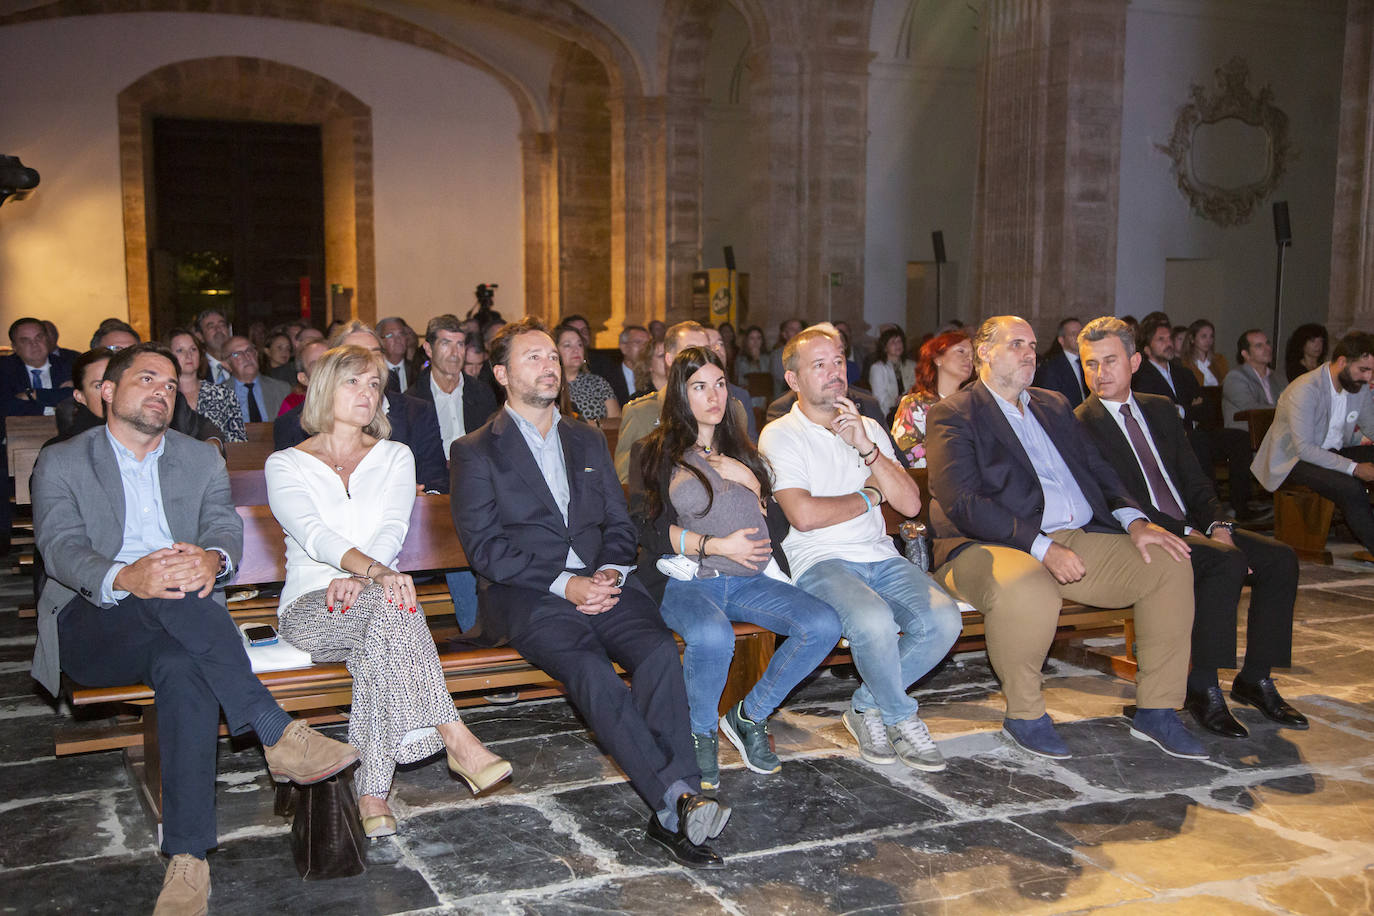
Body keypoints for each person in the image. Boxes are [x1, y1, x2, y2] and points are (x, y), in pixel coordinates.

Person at [31, 342, 360, 914]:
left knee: (184, 667)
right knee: (173, 583)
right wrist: (128, 575)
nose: (162, 390)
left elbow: (220, 528)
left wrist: (214, 558)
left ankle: (187, 860)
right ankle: (276, 732)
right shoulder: (64, 460)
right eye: (147, 379)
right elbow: (60, 549)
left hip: (183, 624)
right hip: (96, 619)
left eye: (170, 383)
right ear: (107, 391)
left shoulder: (198, 457)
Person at [450, 317, 732, 869]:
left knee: (656, 652)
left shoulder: (584, 436)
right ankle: (678, 799)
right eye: (534, 357)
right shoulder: (476, 450)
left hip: (604, 584)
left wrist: (608, 572)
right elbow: (486, 550)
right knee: (589, 668)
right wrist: (567, 584)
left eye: (553, 355)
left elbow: (620, 522)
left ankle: (675, 803)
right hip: (529, 594)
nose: (550, 365)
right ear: (503, 373)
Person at [924, 316, 1203, 760]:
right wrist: (1043, 547)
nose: (1029, 353)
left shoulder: (1053, 404)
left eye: (1033, 345)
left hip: (1074, 536)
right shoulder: (955, 413)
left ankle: (1157, 710)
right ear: (983, 354)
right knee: (1030, 588)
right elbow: (963, 503)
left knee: (1168, 563)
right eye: (1016, 344)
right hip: (986, 546)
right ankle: (1026, 715)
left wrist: (1136, 522)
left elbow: (1098, 470)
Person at [266, 345, 510, 838]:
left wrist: (364, 577)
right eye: (352, 382)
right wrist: (371, 574)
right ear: (323, 389)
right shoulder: (285, 464)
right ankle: (454, 734)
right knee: (394, 605)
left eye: (374, 384)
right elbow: (313, 534)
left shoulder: (396, 456)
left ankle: (372, 793)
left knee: (382, 627)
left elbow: (393, 529)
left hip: (378, 601)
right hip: (313, 608)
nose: (366, 392)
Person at [1074, 318, 1305, 738]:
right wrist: (1183, 534)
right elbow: (1110, 499)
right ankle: (1201, 686)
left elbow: (1194, 478)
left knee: (1279, 559)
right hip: (1140, 534)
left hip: (1192, 525)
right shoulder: (1080, 424)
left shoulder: (1159, 408)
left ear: (1135, 361)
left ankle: (1255, 678)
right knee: (1223, 563)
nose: (1099, 373)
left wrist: (1218, 524)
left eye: (1109, 361)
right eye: (1090, 364)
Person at [630, 346, 840, 790]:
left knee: (822, 623)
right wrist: (713, 545)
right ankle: (700, 733)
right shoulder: (654, 451)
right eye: (700, 386)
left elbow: (778, 526)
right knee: (712, 635)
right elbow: (644, 529)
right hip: (690, 581)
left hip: (751, 580)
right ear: (680, 395)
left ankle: (750, 716)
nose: (714, 396)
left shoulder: (745, 448)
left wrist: (752, 484)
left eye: (720, 384)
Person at [759, 323, 961, 771]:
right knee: (873, 621)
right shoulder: (780, 435)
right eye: (819, 365)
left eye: (837, 362)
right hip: (819, 560)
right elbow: (805, 516)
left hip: (880, 555)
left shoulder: (867, 424)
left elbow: (909, 504)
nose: (834, 372)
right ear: (793, 379)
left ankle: (866, 707)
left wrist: (867, 448)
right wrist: (869, 496)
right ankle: (901, 716)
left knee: (944, 620)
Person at [275, 323, 449, 494]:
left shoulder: (418, 413)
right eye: (356, 355)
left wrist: (420, 498)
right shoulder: (292, 425)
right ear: (331, 368)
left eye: (375, 353)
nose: (368, 361)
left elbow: (436, 482)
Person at [1252, 331, 1374, 555]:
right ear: (1342, 362)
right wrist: (1355, 468)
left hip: (1333, 452)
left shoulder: (1359, 387)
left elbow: (1371, 425)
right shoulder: (1306, 388)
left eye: (1372, 371)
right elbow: (1305, 449)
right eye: (1363, 370)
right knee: (1350, 487)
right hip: (1293, 461)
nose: (1368, 377)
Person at [1134, 313, 1256, 520]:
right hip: (1164, 439)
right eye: (1161, 340)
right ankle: (1211, 508)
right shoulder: (1141, 376)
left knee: (1239, 438)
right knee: (1197, 441)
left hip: (1194, 431)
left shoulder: (1183, 373)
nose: (1169, 344)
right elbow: (1157, 412)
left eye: (1170, 338)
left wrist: (1180, 410)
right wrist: (1188, 409)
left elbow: (1206, 409)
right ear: (1146, 348)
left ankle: (1240, 506)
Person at [616, 321, 750, 484]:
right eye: (691, 350)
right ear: (670, 359)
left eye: (707, 349)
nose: (702, 358)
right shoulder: (641, 413)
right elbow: (627, 482)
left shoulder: (732, 408)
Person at [890, 331, 974, 467]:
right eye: (961, 351)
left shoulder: (974, 403)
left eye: (971, 355)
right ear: (938, 359)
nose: (969, 359)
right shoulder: (915, 404)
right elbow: (905, 453)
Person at [168, 329, 246, 443]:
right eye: (180, 350)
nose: (188, 355)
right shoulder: (164, 395)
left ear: (200, 355)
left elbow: (238, 441)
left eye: (193, 349)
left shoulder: (223, 394)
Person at [2, 317, 73, 419]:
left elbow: (79, 398)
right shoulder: (4, 369)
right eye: (25, 341)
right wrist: (52, 402)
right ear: (14, 347)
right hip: (18, 431)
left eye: (39, 337)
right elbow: (7, 408)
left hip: (65, 432)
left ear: (47, 340)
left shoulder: (69, 365)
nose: (34, 344)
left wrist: (32, 395)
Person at [555, 323, 621, 424]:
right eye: (567, 345)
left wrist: (593, 425)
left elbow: (618, 421)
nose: (576, 350)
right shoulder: (550, 384)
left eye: (580, 344)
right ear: (555, 352)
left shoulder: (597, 382)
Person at [1222, 329, 1286, 429]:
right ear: (1245, 354)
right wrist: (1286, 409)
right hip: (1246, 433)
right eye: (1259, 346)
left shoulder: (1278, 377)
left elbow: (1290, 401)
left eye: (1267, 343)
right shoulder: (1235, 377)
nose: (1267, 349)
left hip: (1274, 432)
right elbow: (1250, 407)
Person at [704, 326, 758, 441]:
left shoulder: (740, 396)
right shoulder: (687, 394)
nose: (717, 348)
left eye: (720, 343)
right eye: (708, 345)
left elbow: (751, 441)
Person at [222, 334, 290, 424]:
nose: (247, 357)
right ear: (227, 364)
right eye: (237, 354)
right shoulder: (217, 395)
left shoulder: (282, 390)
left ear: (256, 354)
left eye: (249, 351)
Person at [1031, 317, 1087, 408]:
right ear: (1061, 340)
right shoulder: (1051, 368)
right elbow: (1050, 403)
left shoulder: (1089, 363)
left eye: (1081, 333)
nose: (1079, 337)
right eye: (1073, 334)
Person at [867, 327, 917, 421]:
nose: (898, 345)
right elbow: (880, 398)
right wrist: (898, 401)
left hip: (910, 411)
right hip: (888, 414)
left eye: (899, 341)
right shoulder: (878, 368)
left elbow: (916, 387)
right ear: (885, 347)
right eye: (893, 342)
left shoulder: (912, 365)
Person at [604, 324, 650, 406]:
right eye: (638, 342)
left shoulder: (654, 377)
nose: (644, 347)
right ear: (623, 348)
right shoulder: (607, 380)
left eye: (648, 343)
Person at [377, 317, 423, 393]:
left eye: (401, 334)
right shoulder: (376, 371)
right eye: (390, 335)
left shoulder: (417, 370)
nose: (398, 339)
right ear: (380, 341)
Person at [1182, 319, 1227, 387]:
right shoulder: (1185, 363)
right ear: (1192, 339)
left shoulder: (1219, 360)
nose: (1208, 341)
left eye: (1211, 336)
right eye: (1204, 336)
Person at [195, 308, 233, 384]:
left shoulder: (243, 362)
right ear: (200, 336)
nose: (218, 329)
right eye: (211, 327)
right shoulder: (196, 371)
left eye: (222, 325)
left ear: (229, 331)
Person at [769, 317, 804, 396]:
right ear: (784, 334)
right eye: (792, 329)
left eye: (799, 329)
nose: (797, 332)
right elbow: (783, 380)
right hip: (784, 398)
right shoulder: (777, 355)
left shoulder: (809, 352)